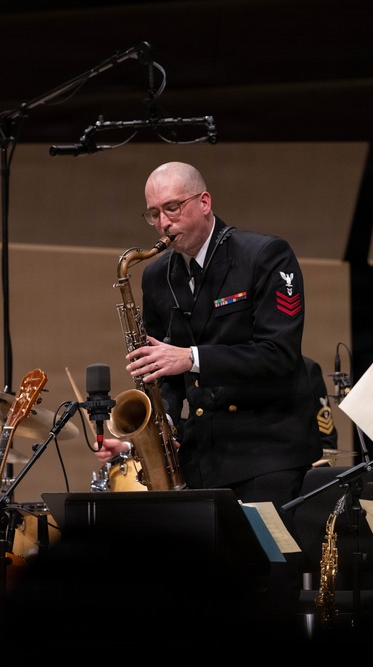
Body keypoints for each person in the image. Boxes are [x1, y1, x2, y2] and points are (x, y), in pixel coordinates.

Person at [96, 161, 322, 508]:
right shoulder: (156, 275)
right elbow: (162, 371)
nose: (163, 223)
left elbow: (278, 353)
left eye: (172, 208)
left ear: (204, 202)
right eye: (154, 214)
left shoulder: (265, 256)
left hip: (267, 454)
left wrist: (190, 357)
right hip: (202, 457)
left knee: (264, 563)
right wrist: (162, 425)